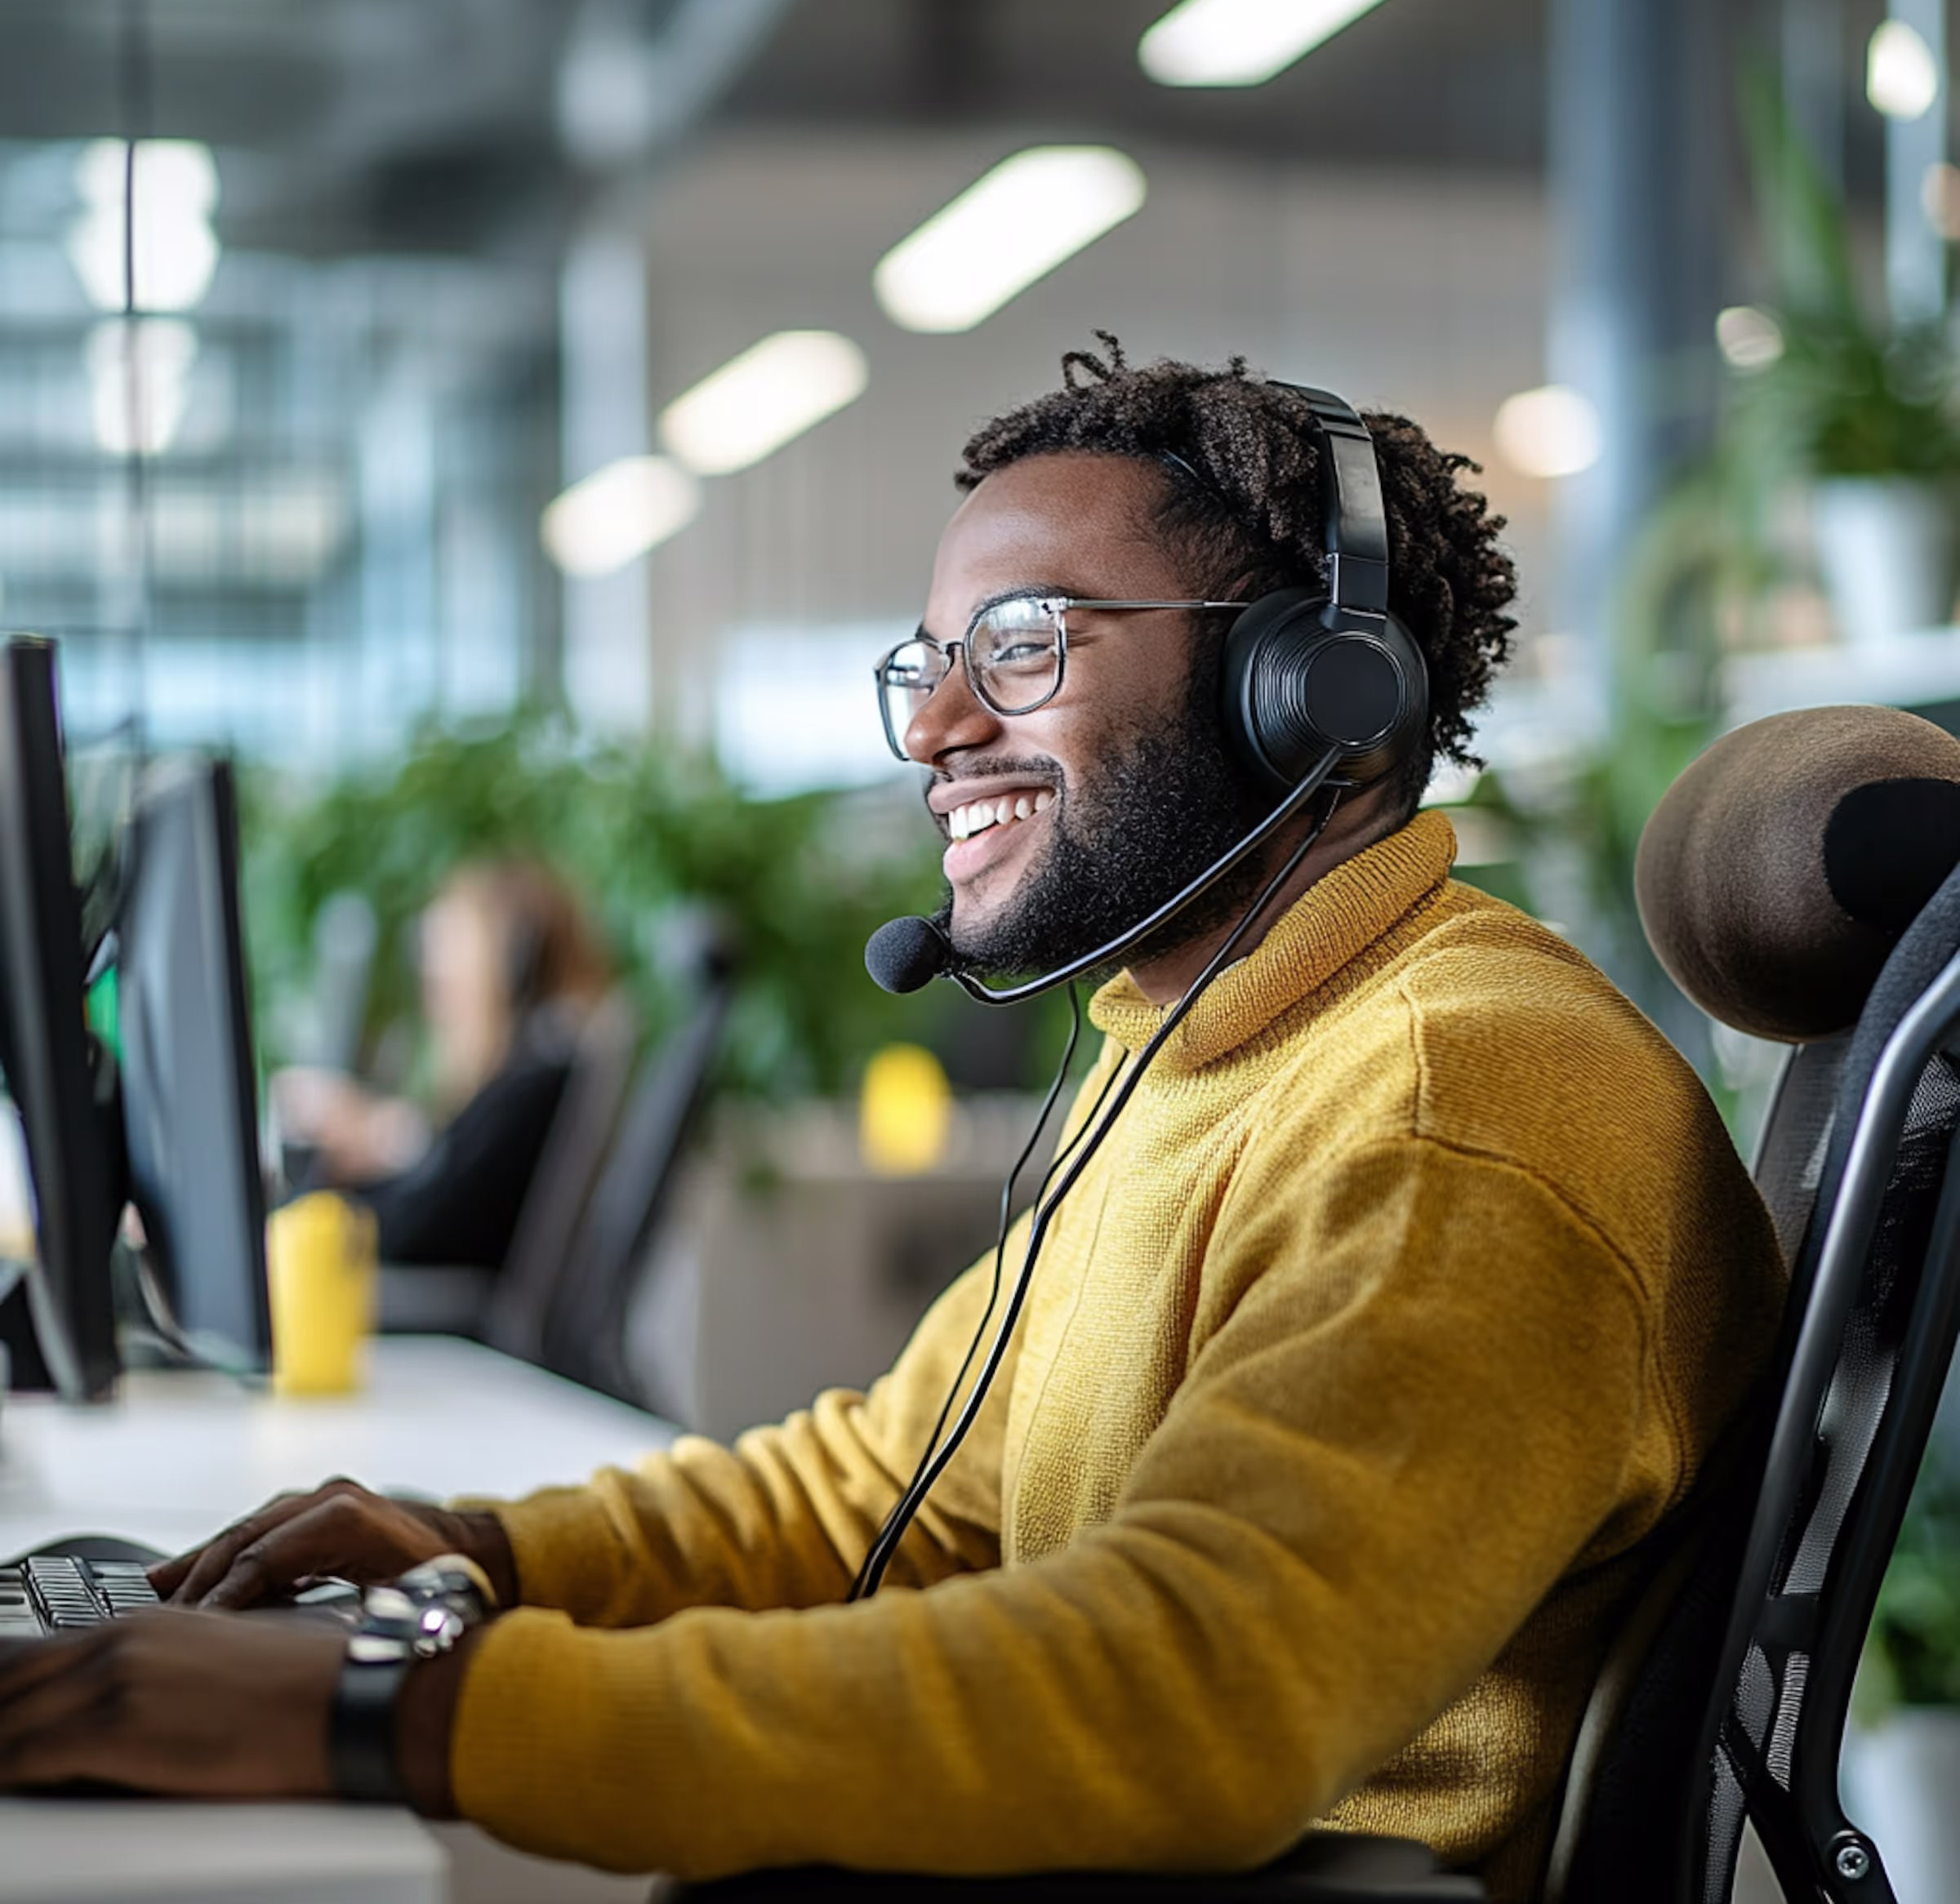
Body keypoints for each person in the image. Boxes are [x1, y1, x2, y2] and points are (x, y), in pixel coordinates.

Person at [0, 343, 1784, 1902]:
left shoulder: (1450, 1111)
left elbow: (1182, 1698)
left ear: (1309, 686)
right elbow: (890, 1492)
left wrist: (396, 1707)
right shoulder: (1205, 1049)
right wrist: (486, 1553)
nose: (930, 725)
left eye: (1018, 649)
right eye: (927, 659)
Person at [274, 858, 612, 1273]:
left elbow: (418, 1232)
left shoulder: (534, 1082)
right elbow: (448, 1177)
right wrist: (376, 1142)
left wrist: (318, 1208)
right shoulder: (531, 1078)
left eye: (447, 977)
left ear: (514, 967)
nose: (436, 1007)